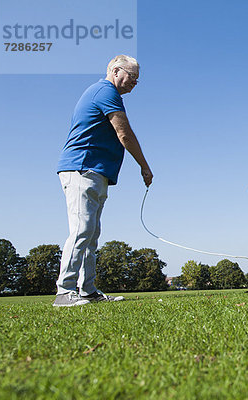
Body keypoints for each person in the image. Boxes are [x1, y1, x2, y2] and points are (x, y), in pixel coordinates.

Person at [54, 55, 153, 307]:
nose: (135, 83)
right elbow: (124, 133)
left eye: (137, 79)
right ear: (116, 70)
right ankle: (65, 291)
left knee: (91, 233)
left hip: (97, 172)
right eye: (132, 76)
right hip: (82, 168)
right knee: (81, 230)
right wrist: (144, 166)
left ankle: (87, 291)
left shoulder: (106, 92)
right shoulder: (105, 91)